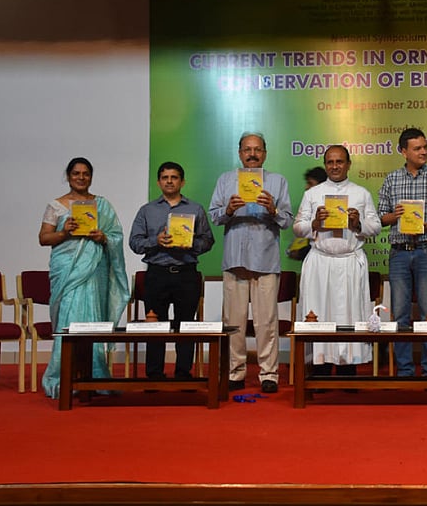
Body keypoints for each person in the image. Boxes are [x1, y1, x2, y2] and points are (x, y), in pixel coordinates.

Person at [37, 157, 130, 399]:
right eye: (76, 173)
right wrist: (64, 233)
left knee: (92, 320)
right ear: (68, 176)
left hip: (94, 271)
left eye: (85, 173)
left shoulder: (102, 205)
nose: (81, 177)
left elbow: (116, 235)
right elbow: (44, 238)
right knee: (69, 318)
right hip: (67, 271)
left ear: (91, 177)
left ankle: (94, 375)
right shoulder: (56, 206)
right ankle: (63, 375)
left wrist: (103, 238)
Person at [209, 132, 293, 393]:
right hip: (235, 261)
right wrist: (228, 210)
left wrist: (273, 210)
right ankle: (235, 372)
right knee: (233, 321)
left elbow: (288, 220)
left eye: (257, 149)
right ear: (240, 153)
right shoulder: (225, 180)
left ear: (265, 153)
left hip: (265, 259)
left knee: (266, 322)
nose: (252, 154)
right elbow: (214, 216)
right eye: (247, 149)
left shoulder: (277, 181)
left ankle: (269, 374)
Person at [293, 145, 381, 377]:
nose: (335, 166)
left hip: (349, 263)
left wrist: (358, 224)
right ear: (325, 165)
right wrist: (314, 223)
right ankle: (320, 369)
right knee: (319, 314)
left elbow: (375, 227)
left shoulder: (361, 193)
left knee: (349, 314)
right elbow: (298, 227)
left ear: (348, 164)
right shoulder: (313, 194)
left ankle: (348, 370)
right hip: (320, 263)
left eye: (339, 162)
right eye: (330, 162)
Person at [378, 128, 427, 377]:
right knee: (400, 313)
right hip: (399, 253)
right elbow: (380, 217)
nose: (423, 152)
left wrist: (426, 226)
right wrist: (396, 216)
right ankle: (405, 370)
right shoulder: (391, 179)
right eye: (417, 148)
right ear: (404, 151)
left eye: (425, 147)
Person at [129, 161, 215, 380]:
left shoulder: (195, 209)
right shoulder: (147, 210)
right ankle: (154, 374)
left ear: (182, 182)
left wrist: (191, 243)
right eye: (165, 177)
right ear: (159, 182)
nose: (169, 181)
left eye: (174, 177)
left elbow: (208, 240)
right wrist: (155, 241)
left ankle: (183, 373)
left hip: (186, 273)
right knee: (155, 325)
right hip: (157, 273)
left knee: (185, 325)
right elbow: (135, 242)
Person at [288, 166, 328, 261]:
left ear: (321, 185)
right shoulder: (308, 205)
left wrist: (301, 253)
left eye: (310, 183)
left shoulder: (331, 208)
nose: (306, 187)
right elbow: (301, 231)